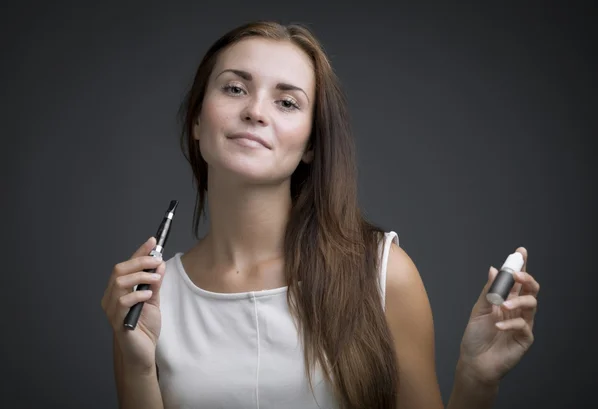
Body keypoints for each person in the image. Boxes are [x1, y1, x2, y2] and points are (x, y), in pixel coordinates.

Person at [101, 21, 540, 409]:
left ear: (311, 143)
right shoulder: (148, 300)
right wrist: (138, 367)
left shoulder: (383, 274)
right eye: (235, 88)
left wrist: (476, 380)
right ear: (198, 119)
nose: (255, 111)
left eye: (287, 102)